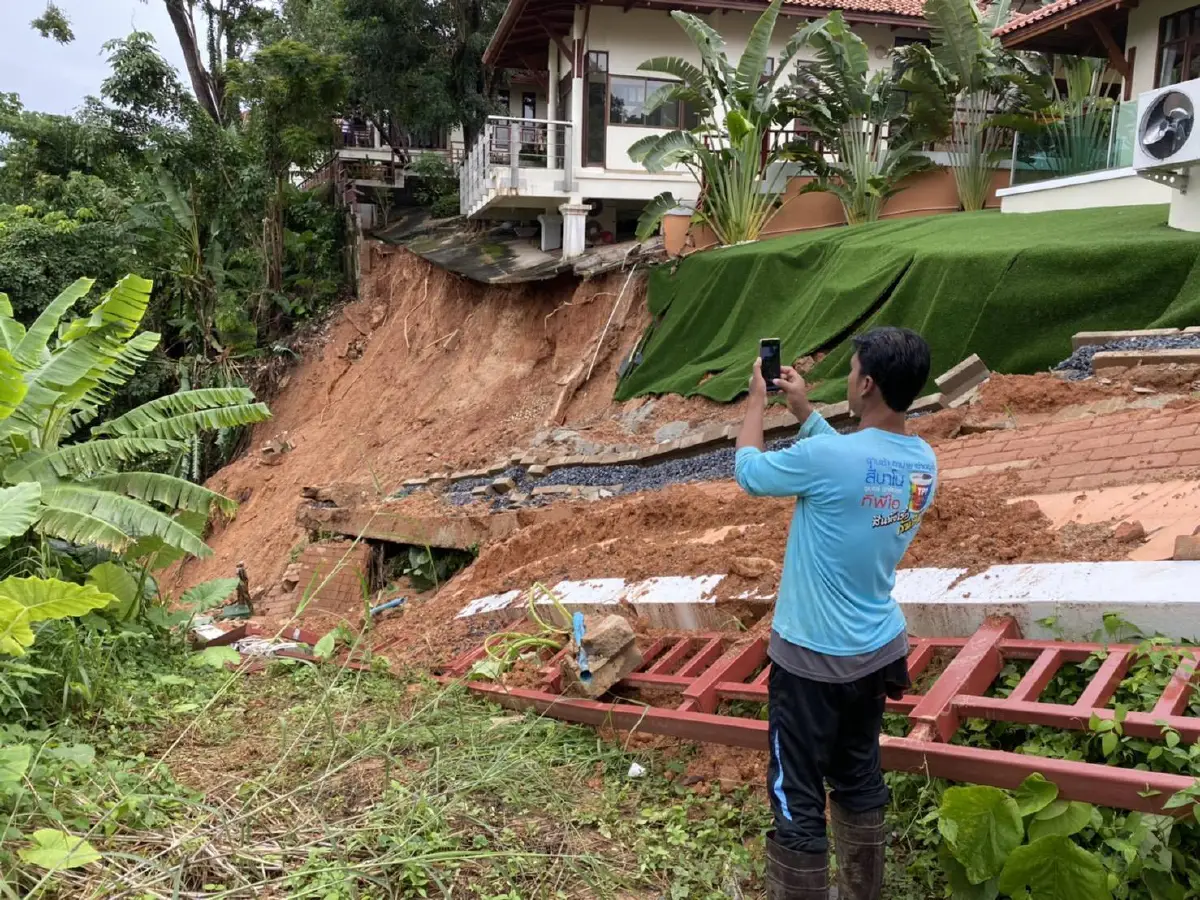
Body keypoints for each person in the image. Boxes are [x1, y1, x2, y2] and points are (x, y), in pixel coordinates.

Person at [733, 327, 938, 900]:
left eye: (851, 371)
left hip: (810, 662)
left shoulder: (828, 458)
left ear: (867, 383)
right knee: (858, 776)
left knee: (795, 792)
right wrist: (806, 412)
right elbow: (862, 480)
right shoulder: (923, 465)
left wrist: (757, 401)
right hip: (876, 653)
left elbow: (749, 471)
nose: (847, 378)